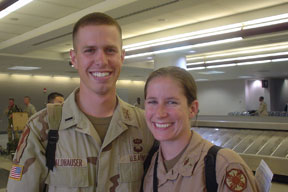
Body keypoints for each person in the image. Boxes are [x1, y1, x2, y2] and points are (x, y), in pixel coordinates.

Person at [7, 12, 154, 192]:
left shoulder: (145, 125)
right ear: (74, 58)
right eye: (90, 50)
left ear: (122, 57)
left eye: (110, 50)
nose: (101, 60)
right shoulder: (41, 128)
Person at [142, 66, 259, 192]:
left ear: (192, 109)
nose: (160, 113)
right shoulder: (150, 162)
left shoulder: (222, 166)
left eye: (172, 102)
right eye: (152, 102)